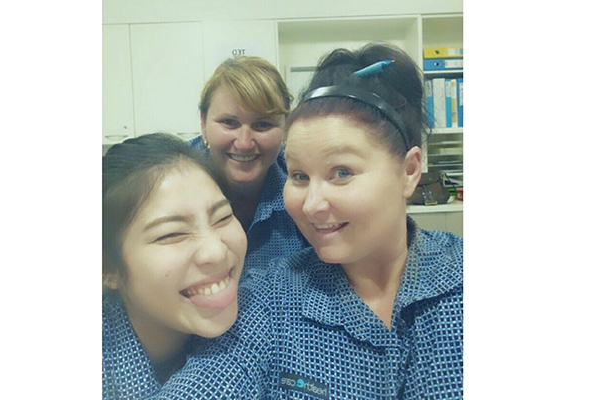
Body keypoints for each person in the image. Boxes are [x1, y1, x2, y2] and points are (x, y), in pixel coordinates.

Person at [150, 43, 464, 399]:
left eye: (342, 172)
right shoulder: (268, 301)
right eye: (299, 176)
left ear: (409, 171)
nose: (312, 206)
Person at [102, 133, 247, 400]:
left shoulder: (260, 309)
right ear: (107, 268)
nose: (216, 251)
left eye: (223, 217)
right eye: (172, 234)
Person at [190, 56, 310, 274]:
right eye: (229, 123)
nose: (244, 143)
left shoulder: (307, 186)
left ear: (285, 128)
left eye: (262, 124)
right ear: (203, 124)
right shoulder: (165, 182)